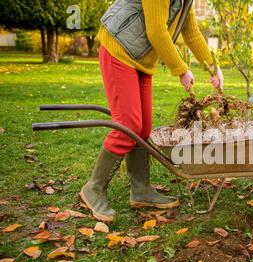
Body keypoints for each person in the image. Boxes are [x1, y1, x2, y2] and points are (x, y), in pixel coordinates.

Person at [79, 0, 224, 222]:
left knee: (143, 127)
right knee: (128, 125)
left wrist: (213, 67)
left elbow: (191, 32)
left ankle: (141, 190)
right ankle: (94, 188)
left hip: (141, 59)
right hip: (119, 50)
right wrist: (181, 69)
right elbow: (156, 31)